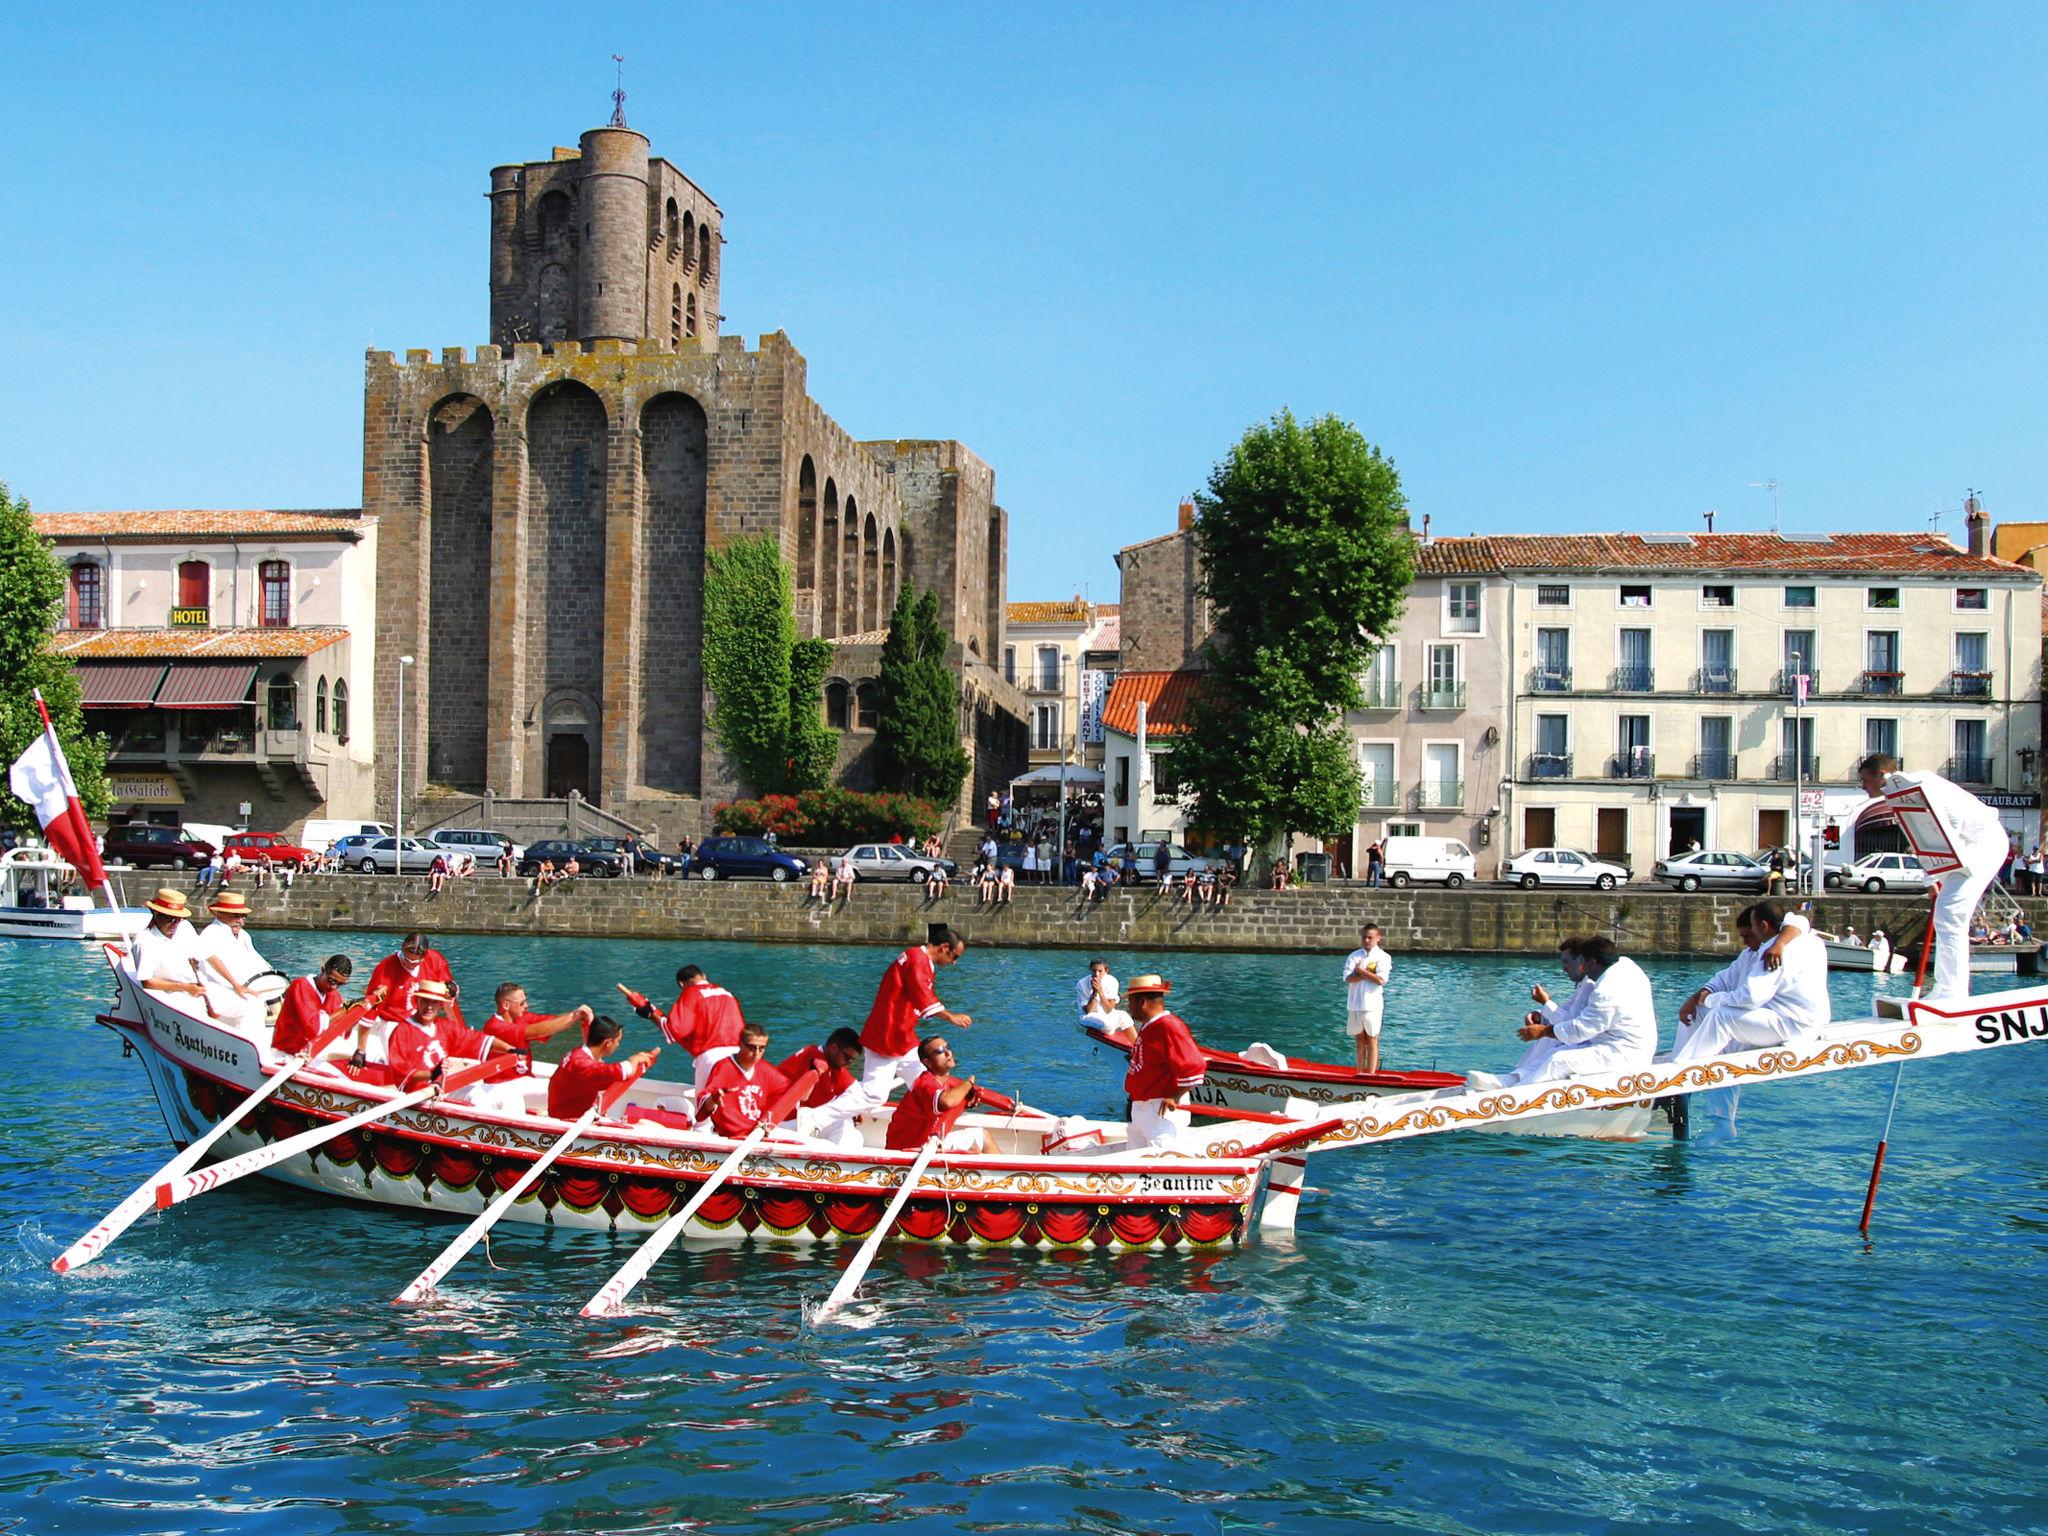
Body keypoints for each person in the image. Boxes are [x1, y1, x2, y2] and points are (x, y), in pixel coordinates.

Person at [1857, 752, 2009, 1000]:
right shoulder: (1900, 792)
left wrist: (1940, 874)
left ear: (1881, 775)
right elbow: (1923, 835)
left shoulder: (1919, 785)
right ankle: (1948, 989)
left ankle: (1951, 992)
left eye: (1865, 780)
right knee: (1946, 914)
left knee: (1950, 913)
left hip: (1982, 843)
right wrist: (1931, 879)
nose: (1862, 786)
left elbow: (1950, 823)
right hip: (1964, 848)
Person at [1466, 936, 1656, 1090]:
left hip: (1624, 1053)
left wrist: (1543, 1031)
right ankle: (1509, 1081)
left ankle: (1513, 1097)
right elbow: (1572, 1015)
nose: (1585, 970)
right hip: (1612, 1044)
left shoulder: (1606, 990)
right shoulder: (1625, 965)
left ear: (1593, 963)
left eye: (1585, 965)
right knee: (1557, 1051)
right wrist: (1545, 1020)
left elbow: (1581, 1030)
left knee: (1559, 1060)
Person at [1673, 902, 1830, 1058]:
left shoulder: (1771, 952)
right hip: (1802, 1020)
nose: (1747, 939)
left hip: (1793, 1025)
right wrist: (1697, 999)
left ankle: (1690, 1071)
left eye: (1752, 929)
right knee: (1695, 1013)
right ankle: (1678, 1059)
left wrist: (1710, 1000)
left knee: (1720, 1016)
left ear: (1763, 926)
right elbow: (1726, 978)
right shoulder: (1811, 940)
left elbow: (1752, 997)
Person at [860, 922, 972, 1100]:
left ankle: (932, 1116)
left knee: (924, 1081)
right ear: (944, 948)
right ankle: (820, 1115)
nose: (954, 963)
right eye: (955, 956)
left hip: (902, 1037)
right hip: (887, 1038)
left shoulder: (918, 958)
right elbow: (923, 996)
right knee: (874, 1096)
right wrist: (951, 1017)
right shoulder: (918, 960)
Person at [625, 964, 748, 1099]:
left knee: (704, 1110)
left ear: (682, 984)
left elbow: (674, 1031)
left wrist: (649, 1014)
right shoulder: (727, 993)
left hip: (711, 1057)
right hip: (739, 1054)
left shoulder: (691, 993)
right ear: (704, 976)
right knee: (733, 1102)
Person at [1121, 974, 1206, 1151]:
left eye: (1131, 1002)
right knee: (1136, 1157)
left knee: (1160, 1156)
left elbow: (1194, 1065)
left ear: (1142, 1002)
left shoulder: (1168, 1026)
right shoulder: (1150, 1026)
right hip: (1142, 1106)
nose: (1129, 1008)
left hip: (1158, 1109)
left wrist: (1175, 1096)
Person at [883, 1036, 987, 1153]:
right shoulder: (926, 1083)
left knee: (982, 1136)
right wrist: (969, 1083)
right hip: (906, 1151)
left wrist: (966, 1102)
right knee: (975, 1151)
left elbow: (947, 1103)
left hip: (927, 1144)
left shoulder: (944, 1083)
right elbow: (947, 1102)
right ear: (927, 1062)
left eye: (948, 1047)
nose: (948, 1053)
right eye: (939, 1052)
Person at [548, 1014, 659, 1121]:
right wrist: (635, 1059)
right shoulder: (582, 1064)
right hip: (566, 1119)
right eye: (618, 1041)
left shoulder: (577, 1053)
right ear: (608, 1043)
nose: (618, 1045)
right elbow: (624, 1071)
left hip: (567, 1110)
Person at [694, 1022, 792, 1139]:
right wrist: (714, 1099)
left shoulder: (765, 1069)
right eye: (752, 1047)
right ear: (740, 1044)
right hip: (734, 1138)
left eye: (761, 1048)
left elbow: (791, 1093)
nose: (756, 1053)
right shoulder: (724, 1068)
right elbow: (703, 1109)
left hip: (758, 1132)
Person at [193, 890, 272, 1028]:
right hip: (219, 991)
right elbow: (212, 959)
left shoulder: (244, 935)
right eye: (236, 916)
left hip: (244, 987)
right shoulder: (211, 933)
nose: (241, 921)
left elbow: (257, 960)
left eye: (243, 916)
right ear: (219, 914)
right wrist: (236, 985)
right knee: (252, 1005)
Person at [779, 1026, 867, 1147]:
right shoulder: (814, 1060)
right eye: (847, 1058)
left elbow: (853, 1089)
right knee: (844, 1126)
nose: (849, 1063)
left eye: (852, 1060)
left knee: (851, 1131)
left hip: (798, 1122)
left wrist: (855, 1109)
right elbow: (804, 1097)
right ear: (834, 1048)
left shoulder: (830, 1062)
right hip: (783, 1124)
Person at [127, 887, 209, 1009]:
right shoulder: (145, 941)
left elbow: (200, 955)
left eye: (178, 919)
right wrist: (185, 987)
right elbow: (147, 981)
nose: (175, 923)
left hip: (197, 987)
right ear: (156, 915)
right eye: (170, 918)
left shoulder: (184, 927)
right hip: (171, 995)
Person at [366, 932, 459, 1026]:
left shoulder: (434, 960)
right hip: (394, 1022)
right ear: (402, 950)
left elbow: (448, 985)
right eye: (407, 959)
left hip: (424, 1019)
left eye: (416, 962)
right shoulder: (385, 968)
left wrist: (451, 989)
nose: (410, 964)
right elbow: (374, 1003)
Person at [272, 954, 353, 1057]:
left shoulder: (334, 995)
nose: (334, 987)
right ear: (323, 970)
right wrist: (345, 1009)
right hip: (286, 1052)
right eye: (331, 981)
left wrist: (357, 1012)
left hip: (312, 1052)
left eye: (340, 984)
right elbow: (314, 1028)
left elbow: (340, 1030)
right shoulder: (301, 986)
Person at [1342, 923, 1393, 1073]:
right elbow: (1348, 978)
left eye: (1370, 937)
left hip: (1372, 1005)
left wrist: (1360, 972)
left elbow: (1381, 980)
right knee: (1359, 1041)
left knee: (1372, 1040)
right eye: (1364, 937)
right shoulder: (1354, 956)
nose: (1366, 940)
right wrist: (1364, 974)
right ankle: (1359, 1072)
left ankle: (1370, 1074)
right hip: (1355, 1004)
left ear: (1378, 938)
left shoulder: (1383, 957)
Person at [482, 980, 591, 1050]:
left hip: (523, 1077)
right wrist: (573, 1016)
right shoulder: (495, 1027)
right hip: (502, 1082)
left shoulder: (522, 1017)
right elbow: (535, 1031)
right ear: (506, 1005)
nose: (527, 1005)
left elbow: (550, 1021)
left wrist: (579, 1014)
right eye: (522, 1003)